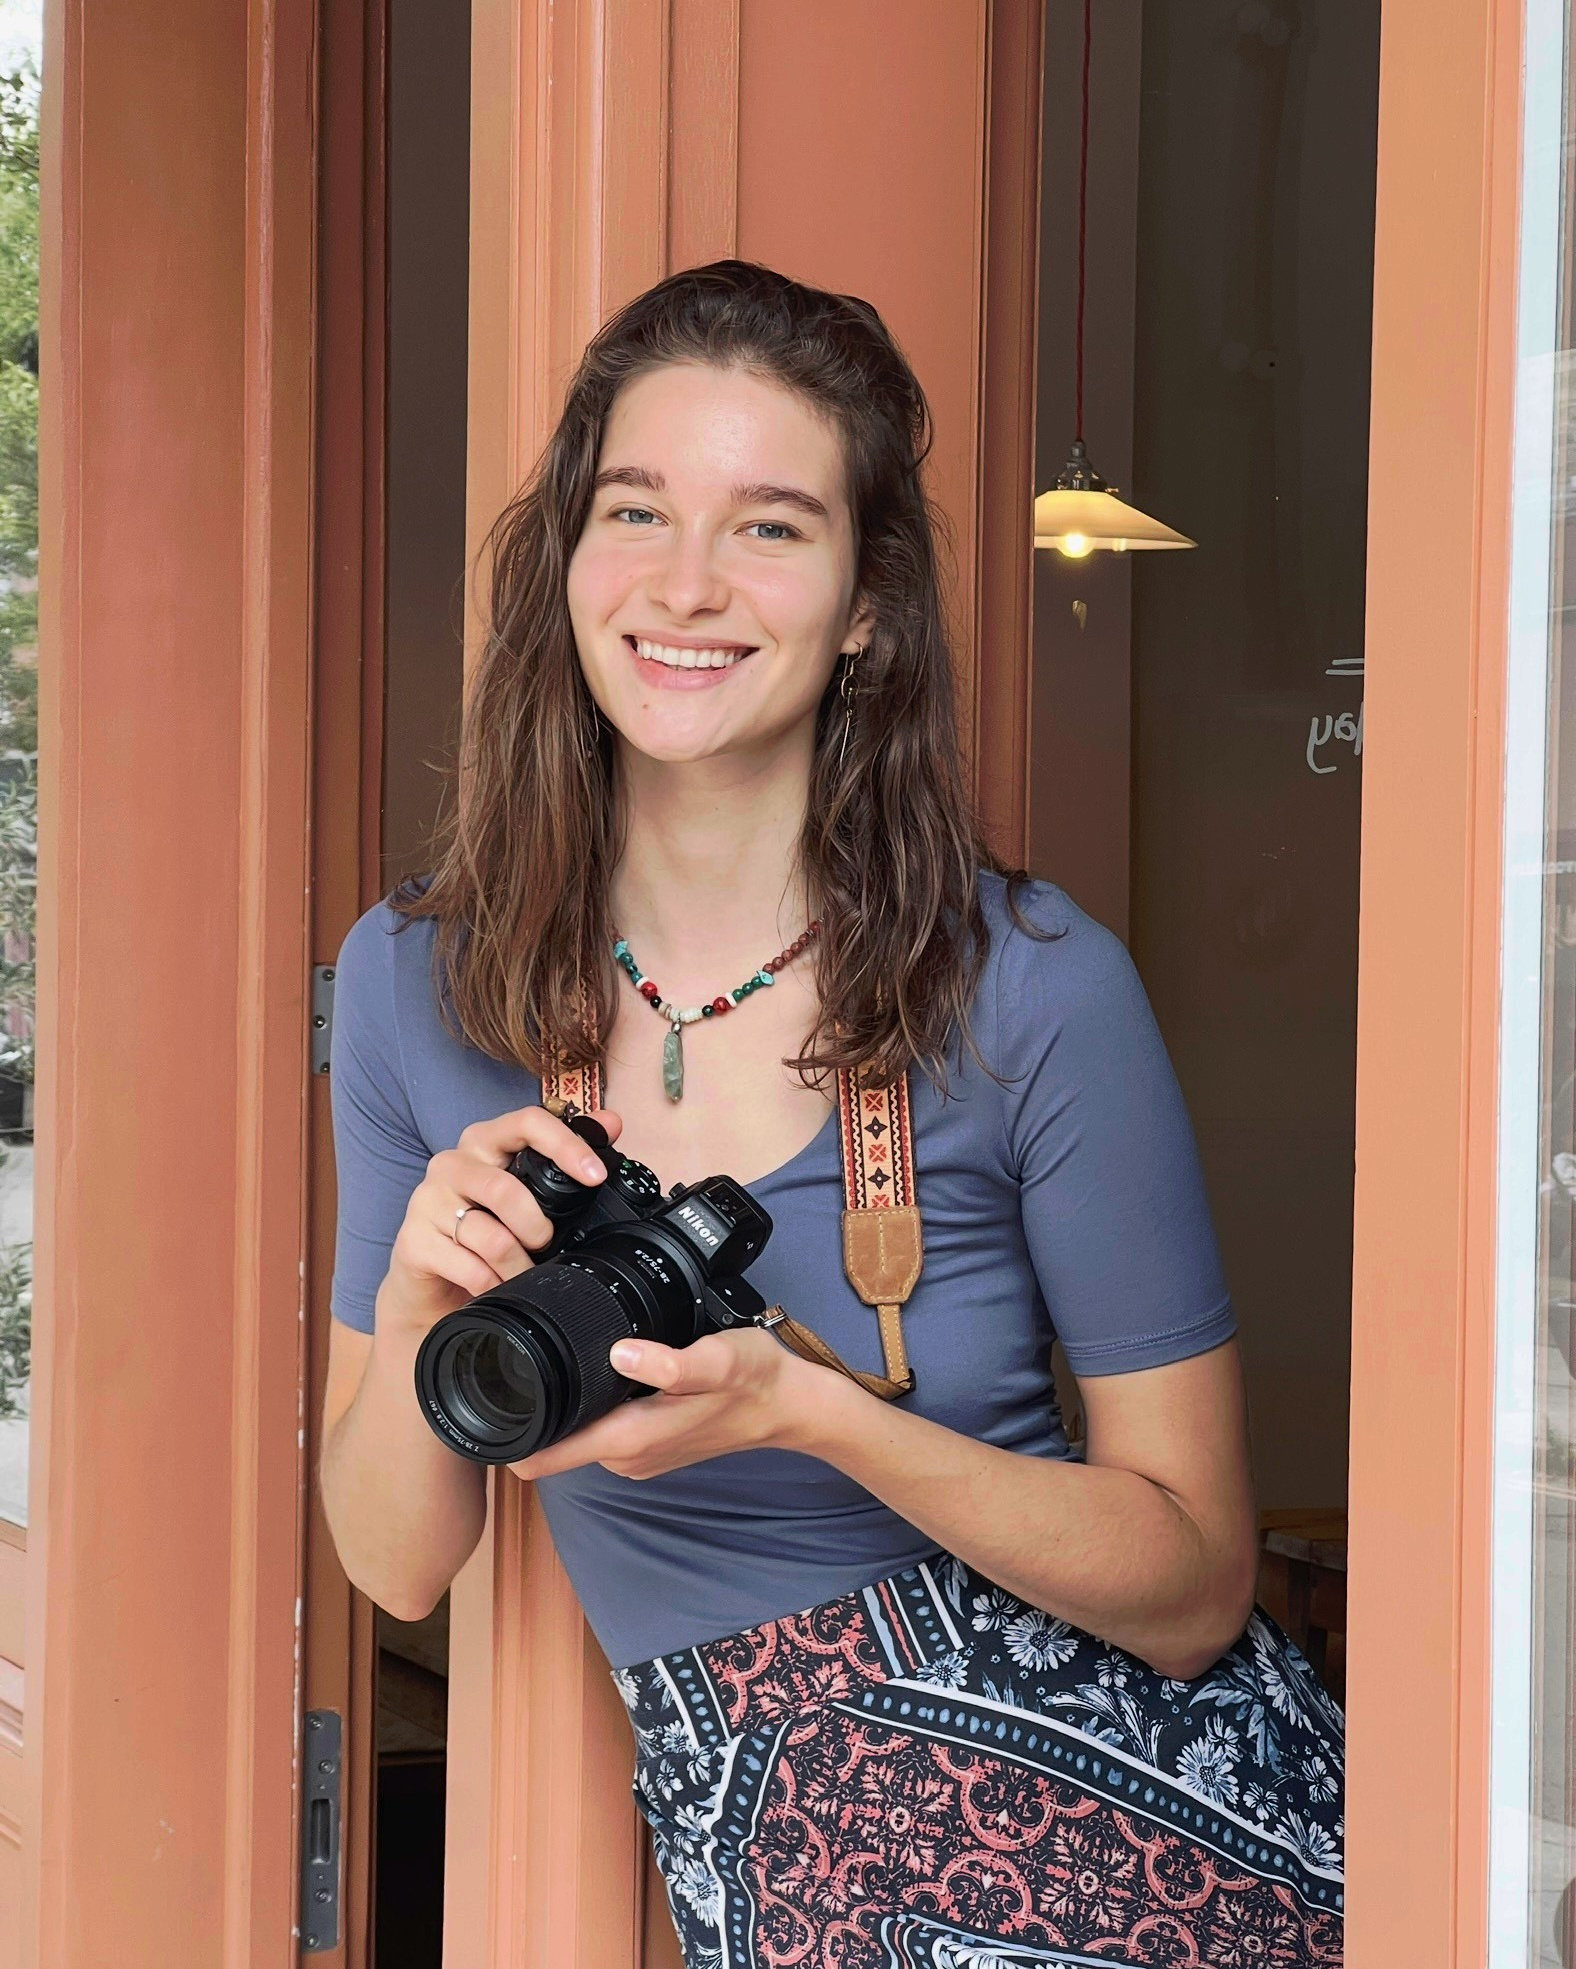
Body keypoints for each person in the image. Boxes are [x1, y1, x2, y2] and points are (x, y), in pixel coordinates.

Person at [320, 259, 1345, 1967]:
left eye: (771, 527)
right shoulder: (419, 980)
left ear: (868, 603)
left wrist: (815, 1412)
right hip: (793, 1880)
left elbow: (1194, 1584)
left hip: (1176, 1846)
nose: (687, 584)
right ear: (567, 557)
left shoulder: (1031, 984)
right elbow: (396, 1563)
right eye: (636, 509)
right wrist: (426, 1295)